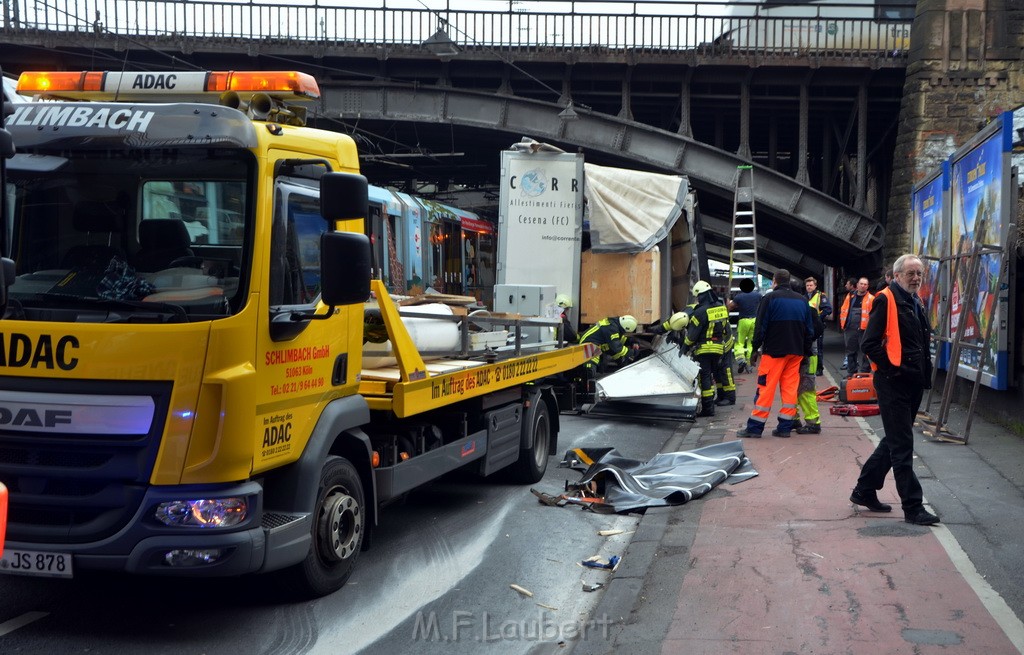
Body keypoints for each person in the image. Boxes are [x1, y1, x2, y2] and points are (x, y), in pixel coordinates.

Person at [850, 254, 939, 526]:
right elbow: (870, 344)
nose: (915, 278)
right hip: (894, 383)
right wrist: (892, 371)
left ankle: (864, 489)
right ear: (897, 275)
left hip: (912, 382)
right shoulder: (885, 299)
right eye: (910, 273)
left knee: (894, 439)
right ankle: (913, 507)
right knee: (902, 445)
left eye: (919, 274)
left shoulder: (915, 301)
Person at [736, 269, 813, 438]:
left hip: (774, 352)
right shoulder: (802, 300)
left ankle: (755, 428)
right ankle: (785, 427)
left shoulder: (769, 298)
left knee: (765, 388)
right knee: (790, 389)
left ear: (774, 281)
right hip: (796, 352)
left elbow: (760, 326)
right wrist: (806, 351)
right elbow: (809, 330)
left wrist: (755, 349)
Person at [681, 281, 733, 417]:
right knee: (717, 374)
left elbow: (692, 335)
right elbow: (725, 329)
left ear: (701, 296)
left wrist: (684, 347)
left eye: (698, 296)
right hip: (719, 349)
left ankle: (708, 409)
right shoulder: (721, 308)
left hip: (704, 350)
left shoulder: (699, 312)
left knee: (705, 378)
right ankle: (720, 398)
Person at [790, 277, 824, 433]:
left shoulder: (806, 308)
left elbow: (817, 330)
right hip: (804, 352)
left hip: (807, 354)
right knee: (795, 388)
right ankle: (794, 419)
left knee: (805, 389)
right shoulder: (807, 307)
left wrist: (805, 344)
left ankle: (813, 423)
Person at [838, 277, 874, 375]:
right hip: (850, 328)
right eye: (861, 284)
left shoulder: (871, 299)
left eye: (865, 284)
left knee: (865, 351)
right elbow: (844, 310)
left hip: (864, 330)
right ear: (857, 285)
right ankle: (851, 372)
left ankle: (864, 372)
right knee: (851, 351)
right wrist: (844, 325)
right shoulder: (850, 297)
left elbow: (874, 315)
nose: (863, 286)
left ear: (868, 286)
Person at [728, 277, 762, 373]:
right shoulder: (758, 295)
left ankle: (740, 360)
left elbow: (730, 307)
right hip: (755, 321)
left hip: (743, 321)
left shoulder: (739, 297)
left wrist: (728, 303)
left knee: (740, 342)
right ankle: (749, 364)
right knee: (751, 343)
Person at [804, 276, 832, 375]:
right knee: (807, 347)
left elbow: (828, 309)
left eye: (811, 285)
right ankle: (808, 367)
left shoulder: (821, 296)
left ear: (815, 286)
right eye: (807, 285)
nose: (809, 287)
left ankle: (819, 369)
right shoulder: (803, 297)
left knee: (818, 348)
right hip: (807, 326)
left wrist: (818, 318)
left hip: (817, 326)